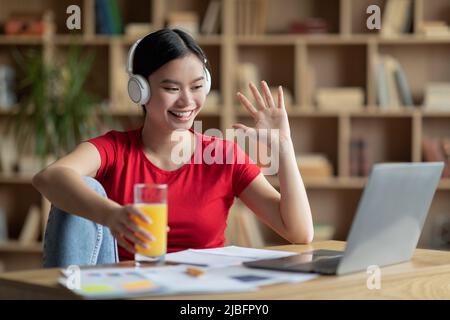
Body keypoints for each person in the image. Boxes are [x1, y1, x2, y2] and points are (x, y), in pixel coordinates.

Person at [32, 28, 313, 267]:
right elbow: (49, 177)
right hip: (126, 289)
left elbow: (299, 233)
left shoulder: (223, 156)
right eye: (171, 88)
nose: (187, 101)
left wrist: (284, 148)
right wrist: (112, 216)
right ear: (139, 90)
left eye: (197, 86)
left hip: (198, 293)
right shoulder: (114, 149)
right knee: (82, 188)